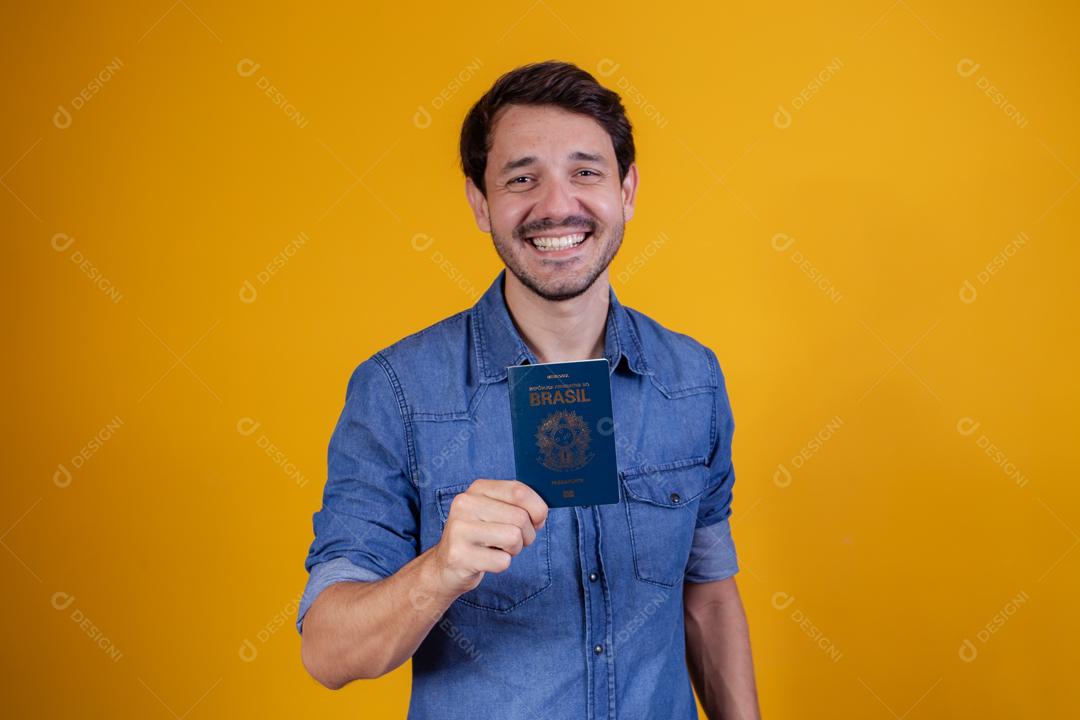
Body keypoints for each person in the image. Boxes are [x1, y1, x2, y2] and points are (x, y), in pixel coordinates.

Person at [297, 60, 760, 720]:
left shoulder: (692, 378)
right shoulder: (395, 391)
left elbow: (708, 593)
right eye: (522, 178)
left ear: (627, 190)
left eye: (586, 172)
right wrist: (439, 571)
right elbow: (327, 652)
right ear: (480, 202)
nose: (557, 206)